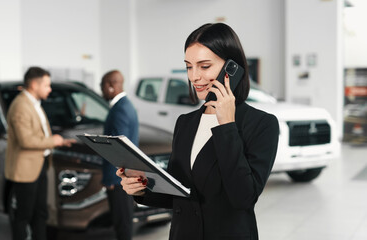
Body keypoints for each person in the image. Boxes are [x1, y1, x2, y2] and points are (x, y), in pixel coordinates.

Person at [117, 23, 279, 240]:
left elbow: (243, 197)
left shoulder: (261, 124)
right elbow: (180, 194)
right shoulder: (185, 122)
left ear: (232, 69)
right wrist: (142, 190)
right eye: (188, 66)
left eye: (204, 66)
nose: (194, 77)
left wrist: (227, 125)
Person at [5, 66, 74, 240]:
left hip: (41, 163)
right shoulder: (21, 106)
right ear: (35, 85)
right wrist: (53, 141)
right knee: (23, 215)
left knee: (40, 213)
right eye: (47, 85)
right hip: (26, 170)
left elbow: (39, 133)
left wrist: (60, 141)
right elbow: (26, 140)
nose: (50, 89)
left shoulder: (35, 104)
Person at [101, 70, 139, 240]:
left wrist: (110, 179)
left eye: (102, 86)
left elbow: (118, 148)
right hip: (124, 175)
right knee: (123, 221)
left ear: (110, 86)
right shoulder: (126, 105)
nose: (101, 90)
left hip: (119, 178)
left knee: (122, 223)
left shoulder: (120, 110)